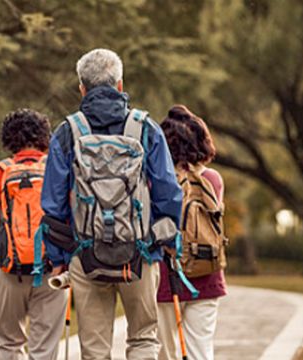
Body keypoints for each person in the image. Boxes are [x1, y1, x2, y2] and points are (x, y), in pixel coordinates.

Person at [40, 48, 183, 360]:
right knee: (144, 340)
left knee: (94, 349)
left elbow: (52, 206)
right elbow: (169, 194)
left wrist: (59, 258)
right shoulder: (146, 129)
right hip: (139, 254)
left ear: (82, 88)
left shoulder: (67, 132)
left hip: (85, 254)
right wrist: (166, 243)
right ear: (120, 85)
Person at [0, 109, 67, 360]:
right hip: (52, 268)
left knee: (9, 341)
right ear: (44, 137)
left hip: (9, 268)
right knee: (45, 346)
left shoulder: (0, 172)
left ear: (9, 139)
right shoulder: (55, 169)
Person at [157, 105, 227, 360]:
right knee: (200, 349)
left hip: (165, 276)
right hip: (206, 272)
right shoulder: (213, 179)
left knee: (164, 352)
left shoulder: (158, 180)